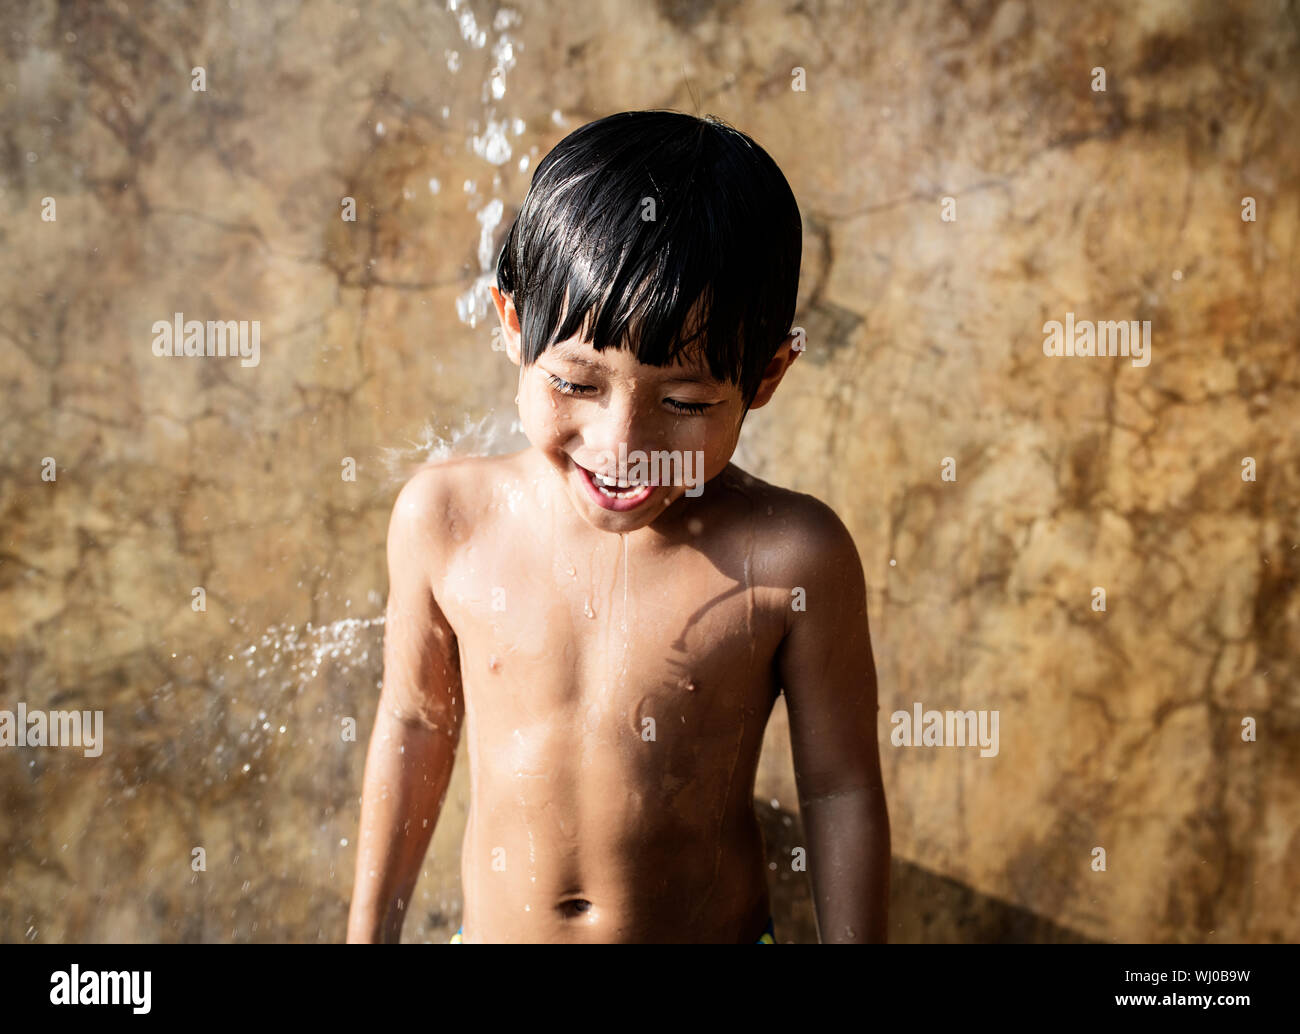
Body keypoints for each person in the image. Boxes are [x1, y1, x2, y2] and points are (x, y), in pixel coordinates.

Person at [346, 110, 889, 944]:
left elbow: (841, 789)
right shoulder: (447, 521)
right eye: (576, 383)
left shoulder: (789, 558)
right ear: (513, 325)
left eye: (684, 404)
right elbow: (416, 727)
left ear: (768, 374)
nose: (623, 446)